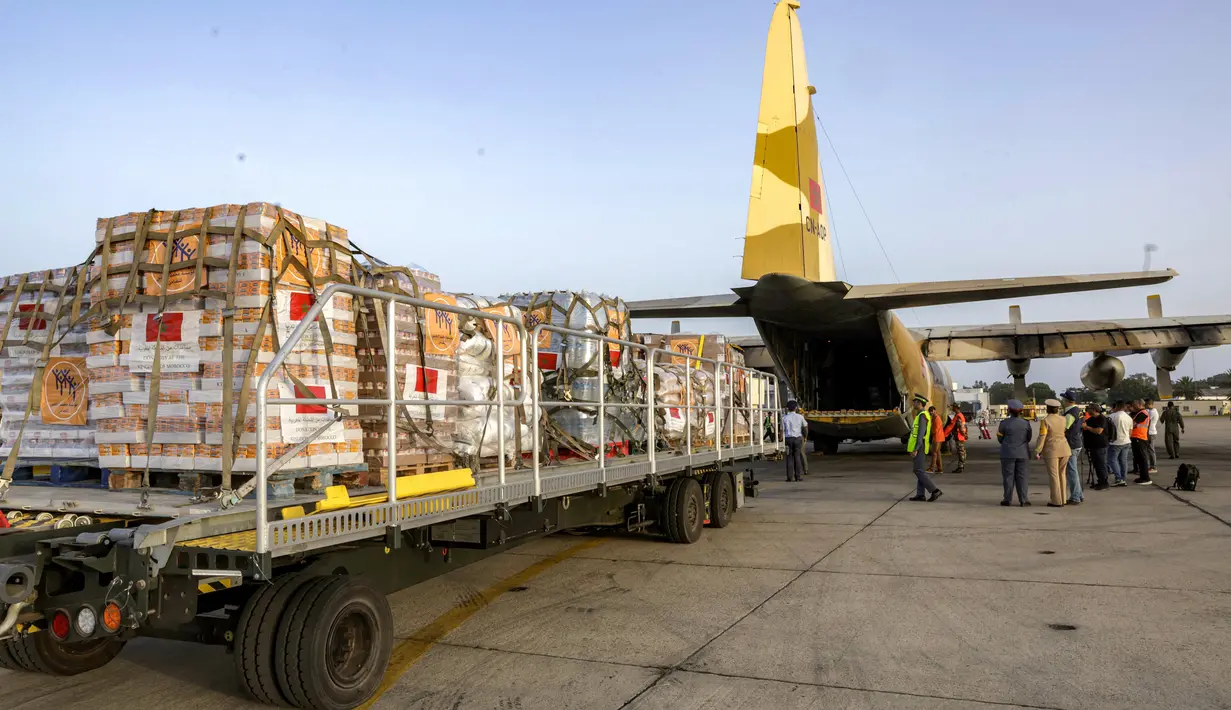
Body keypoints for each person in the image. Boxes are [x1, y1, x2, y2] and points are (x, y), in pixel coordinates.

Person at [1035, 398, 1072, 507]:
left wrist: (1038, 450)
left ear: (1048, 409)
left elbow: (1043, 436)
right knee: (1062, 474)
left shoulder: (1045, 421)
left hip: (1052, 450)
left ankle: (1056, 501)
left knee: (1054, 475)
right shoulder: (1063, 419)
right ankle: (1063, 498)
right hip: (1065, 448)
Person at [907, 394, 943, 502]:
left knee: (917, 470)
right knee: (920, 470)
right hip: (920, 446)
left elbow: (921, 434)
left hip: (920, 446)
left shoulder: (922, 416)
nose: (913, 403)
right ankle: (920, 494)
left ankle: (934, 490)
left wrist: (916, 449)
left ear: (919, 403)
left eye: (915, 402)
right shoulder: (921, 415)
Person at [997, 399, 1032, 506]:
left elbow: (1000, 438)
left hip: (1007, 453)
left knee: (1008, 477)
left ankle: (1007, 499)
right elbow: (1029, 438)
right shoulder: (1026, 423)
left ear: (1009, 410)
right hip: (1022, 453)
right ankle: (1023, 500)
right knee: (1022, 477)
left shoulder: (1004, 423)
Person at [1060, 391, 1085, 504]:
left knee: (1072, 472)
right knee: (1073, 470)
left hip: (1071, 444)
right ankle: (1079, 494)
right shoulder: (1078, 411)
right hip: (1076, 443)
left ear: (1067, 401)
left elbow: (1064, 428)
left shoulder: (1070, 414)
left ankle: (1075, 497)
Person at [1082, 403, 1110, 490]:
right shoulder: (1091, 419)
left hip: (1100, 445)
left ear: (1094, 410)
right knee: (1097, 464)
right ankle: (1100, 481)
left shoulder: (1101, 419)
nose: (1087, 411)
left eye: (1089, 409)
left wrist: (1087, 427)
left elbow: (1099, 431)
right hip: (1093, 445)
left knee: (1101, 464)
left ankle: (1104, 482)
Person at [1107, 401, 1132, 486]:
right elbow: (1130, 431)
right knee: (1123, 460)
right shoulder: (1129, 417)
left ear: (1116, 407)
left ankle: (1119, 478)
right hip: (1126, 441)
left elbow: (1108, 430)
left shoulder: (1111, 417)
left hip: (1115, 442)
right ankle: (1123, 478)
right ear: (1124, 407)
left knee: (1112, 460)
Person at [782, 400, 808, 482]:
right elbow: (805, 427)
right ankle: (798, 477)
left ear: (787, 408)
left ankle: (789, 477)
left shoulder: (784, 418)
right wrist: (805, 436)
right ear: (796, 408)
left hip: (788, 439)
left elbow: (781, 430)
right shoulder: (800, 417)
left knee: (789, 458)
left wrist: (780, 439)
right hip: (798, 439)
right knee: (797, 457)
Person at [1129, 400, 1152, 485]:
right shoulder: (1139, 413)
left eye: (1134, 404)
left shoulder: (1143, 413)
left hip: (1140, 437)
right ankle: (1142, 476)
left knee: (1142, 459)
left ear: (1139, 404)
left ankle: (1146, 478)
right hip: (1137, 437)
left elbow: (1133, 424)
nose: (1133, 406)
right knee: (1139, 458)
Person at [943, 403, 968, 473]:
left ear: (956, 408)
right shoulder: (960, 415)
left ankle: (961, 467)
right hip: (961, 436)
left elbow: (961, 427)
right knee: (962, 451)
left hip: (959, 437)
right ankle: (961, 466)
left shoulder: (958, 416)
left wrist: (964, 434)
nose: (952, 408)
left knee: (961, 452)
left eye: (953, 407)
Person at [926, 406, 945, 473]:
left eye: (932, 411)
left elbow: (935, 430)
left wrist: (929, 433)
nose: (931, 412)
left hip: (937, 438)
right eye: (930, 411)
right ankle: (940, 469)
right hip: (939, 438)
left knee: (934, 453)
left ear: (935, 410)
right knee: (937, 453)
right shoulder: (934, 418)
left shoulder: (936, 418)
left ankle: (932, 468)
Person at [1144, 398, 1160, 475]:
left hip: (1150, 432)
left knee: (1151, 450)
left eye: (1146, 404)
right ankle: (1152, 466)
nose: (1145, 406)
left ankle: (1153, 466)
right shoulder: (1151, 411)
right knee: (1149, 450)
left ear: (1150, 404)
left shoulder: (1152, 412)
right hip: (1150, 432)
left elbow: (1146, 419)